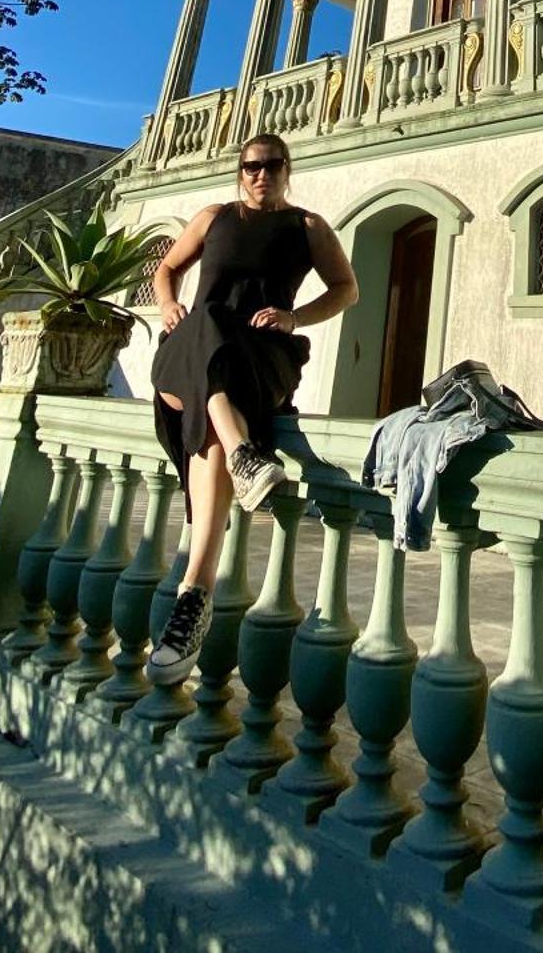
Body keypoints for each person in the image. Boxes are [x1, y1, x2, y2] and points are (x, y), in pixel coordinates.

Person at [144, 132, 358, 683]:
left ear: (288, 169)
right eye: (251, 166)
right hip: (194, 348)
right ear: (240, 171)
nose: (260, 174)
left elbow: (345, 288)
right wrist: (169, 307)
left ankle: (194, 597)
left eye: (271, 166)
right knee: (206, 324)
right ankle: (244, 455)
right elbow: (165, 270)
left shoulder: (307, 226)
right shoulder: (213, 216)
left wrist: (295, 318)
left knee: (211, 422)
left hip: (263, 354)